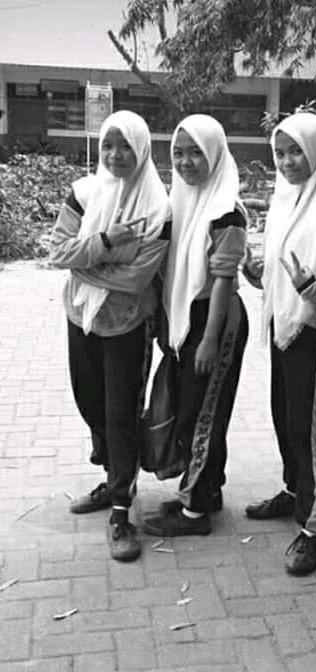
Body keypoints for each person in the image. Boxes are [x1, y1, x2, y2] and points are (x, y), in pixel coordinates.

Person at [49, 110, 171, 562]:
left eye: (125, 146)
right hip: (82, 316)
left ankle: (121, 507)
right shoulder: (83, 192)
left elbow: (137, 280)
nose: (116, 155)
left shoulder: (158, 208)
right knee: (90, 401)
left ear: (142, 149)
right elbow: (57, 250)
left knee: (121, 413)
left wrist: (84, 265)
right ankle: (113, 478)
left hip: (127, 325)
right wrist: (104, 242)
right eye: (108, 145)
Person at [244, 112, 316, 576]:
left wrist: (311, 287)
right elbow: (281, 271)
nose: (288, 161)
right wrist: (257, 274)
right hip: (283, 327)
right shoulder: (284, 201)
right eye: (280, 153)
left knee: (312, 429)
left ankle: (314, 526)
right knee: (284, 416)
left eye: (297, 152)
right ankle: (295, 491)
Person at [143, 114, 249, 538]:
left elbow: (223, 279)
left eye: (196, 153)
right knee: (194, 408)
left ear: (215, 155)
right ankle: (206, 489)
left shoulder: (226, 212)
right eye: (178, 153)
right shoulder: (181, 200)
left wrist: (209, 340)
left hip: (215, 322)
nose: (186, 162)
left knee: (203, 415)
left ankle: (194, 512)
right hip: (188, 317)